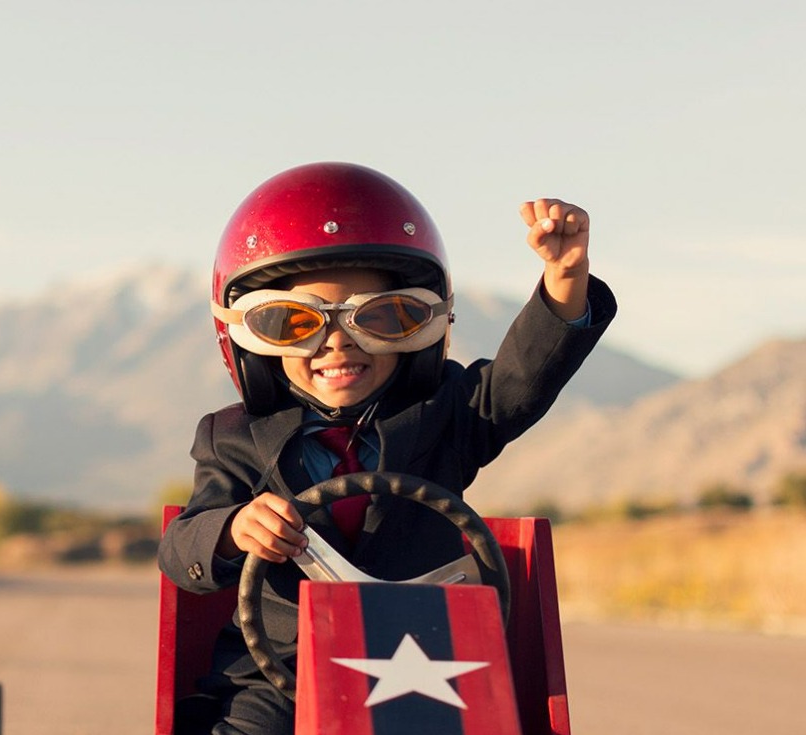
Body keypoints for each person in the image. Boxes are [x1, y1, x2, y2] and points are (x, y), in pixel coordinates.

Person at [157, 162, 616, 734]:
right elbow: (182, 550)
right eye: (294, 324)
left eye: (381, 318)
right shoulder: (232, 437)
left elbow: (522, 380)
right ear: (252, 340)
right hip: (278, 675)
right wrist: (233, 530)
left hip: (428, 662)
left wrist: (564, 283)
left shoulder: (448, 414)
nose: (337, 342)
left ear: (423, 326)